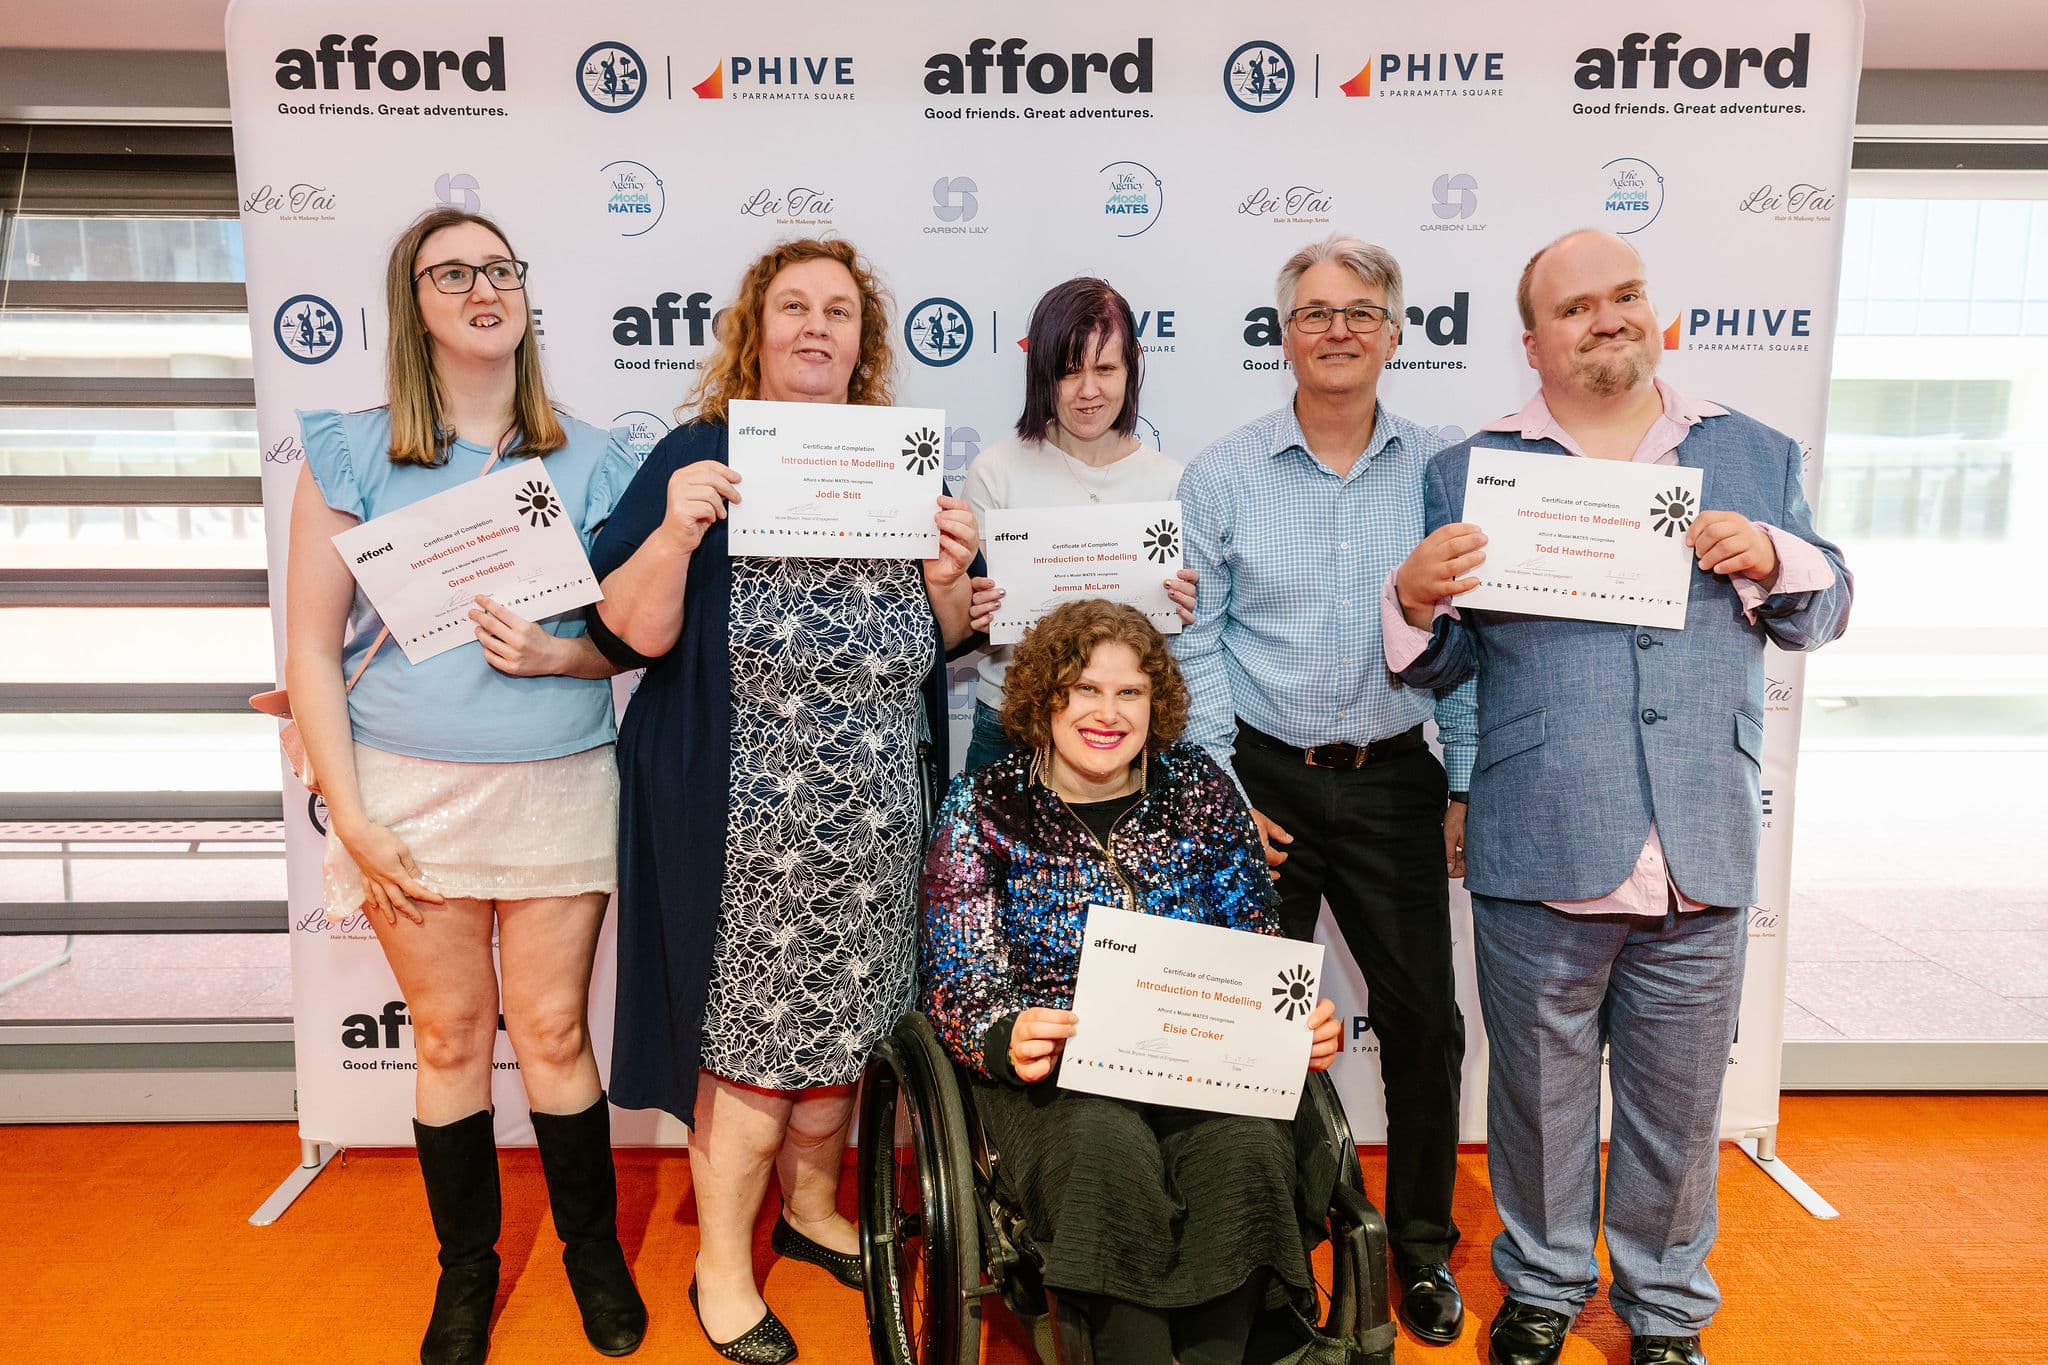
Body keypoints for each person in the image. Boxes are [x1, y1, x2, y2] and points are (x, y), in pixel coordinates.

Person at [1385, 229, 1852, 1365]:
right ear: (1532, 340)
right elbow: (1444, 664)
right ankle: (1543, 1288)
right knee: (1537, 1098)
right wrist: (1409, 601)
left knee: (1679, 1105)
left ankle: (1665, 1312)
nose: (1608, 317)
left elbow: (1826, 607)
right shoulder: (1468, 470)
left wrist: (1776, 556)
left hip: (1698, 836)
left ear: (1653, 309)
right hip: (1541, 832)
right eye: (1576, 306)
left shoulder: (1754, 452)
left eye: (1626, 294)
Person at [584, 238, 978, 1365]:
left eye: (838, 311)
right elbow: (623, 632)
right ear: (755, 329)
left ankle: (808, 1214)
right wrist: (677, 528)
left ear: (863, 342)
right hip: (747, 821)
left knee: (850, 1036)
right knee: (752, 1054)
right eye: (793, 306)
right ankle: (721, 1263)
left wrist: (948, 579)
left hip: (875, 819)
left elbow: (934, 647)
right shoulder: (695, 453)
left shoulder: (900, 465)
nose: (815, 326)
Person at [283, 207, 646, 1365]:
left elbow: (635, 638)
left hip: (559, 778)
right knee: (446, 1038)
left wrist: (562, 655)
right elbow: (310, 653)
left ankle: (591, 1253)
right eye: (451, 274)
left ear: (525, 294)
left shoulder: (597, 459)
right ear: (413, 305)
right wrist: (351, 817)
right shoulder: (349, 451)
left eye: (499, 268)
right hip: (407, 790)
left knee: (552, 1030)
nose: (483, 289)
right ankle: (466, 1272)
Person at [1171, 234, 1476, 1346]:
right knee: (1248, 1033)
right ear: (1283, 334)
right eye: (1314, 312)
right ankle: (1261, 1254)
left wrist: (1463, 784)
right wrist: (1217, 789)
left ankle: (1421, 1250)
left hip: (1395, 780)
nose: (1336, 329)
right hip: (1261, 780)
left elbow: (1471, 642)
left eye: (1360, 312)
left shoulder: (1443, 470)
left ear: (1396, 334)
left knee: (1424, 1025)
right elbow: (1195, 640)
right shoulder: (1222, 473)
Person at [921, 599, 1344, 1365]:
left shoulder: (1201, 790)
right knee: (1104, 1146)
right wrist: (1005, 1032)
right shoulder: (983, 806)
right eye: (1085, 689)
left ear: (1158, 702)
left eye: (1129, 692)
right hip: (1057, 1066)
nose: (1107, 713)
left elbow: (1254, 933)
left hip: (1198, 1055)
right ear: (1045, 695)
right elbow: (958, 974)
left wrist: (1292, 1020)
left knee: (1247, 1143)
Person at [960, 277, 1196, 770]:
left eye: (1105, 369)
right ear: (1042, 375)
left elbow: (1174, 646)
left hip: (1123, 733)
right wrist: (974, 616)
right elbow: (972, 629)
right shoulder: (995, 472)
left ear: (1131, 368)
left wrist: (1186, 606)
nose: (1089, 391)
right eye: (1069, 372)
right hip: (1011, 728)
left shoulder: (1173, 482)